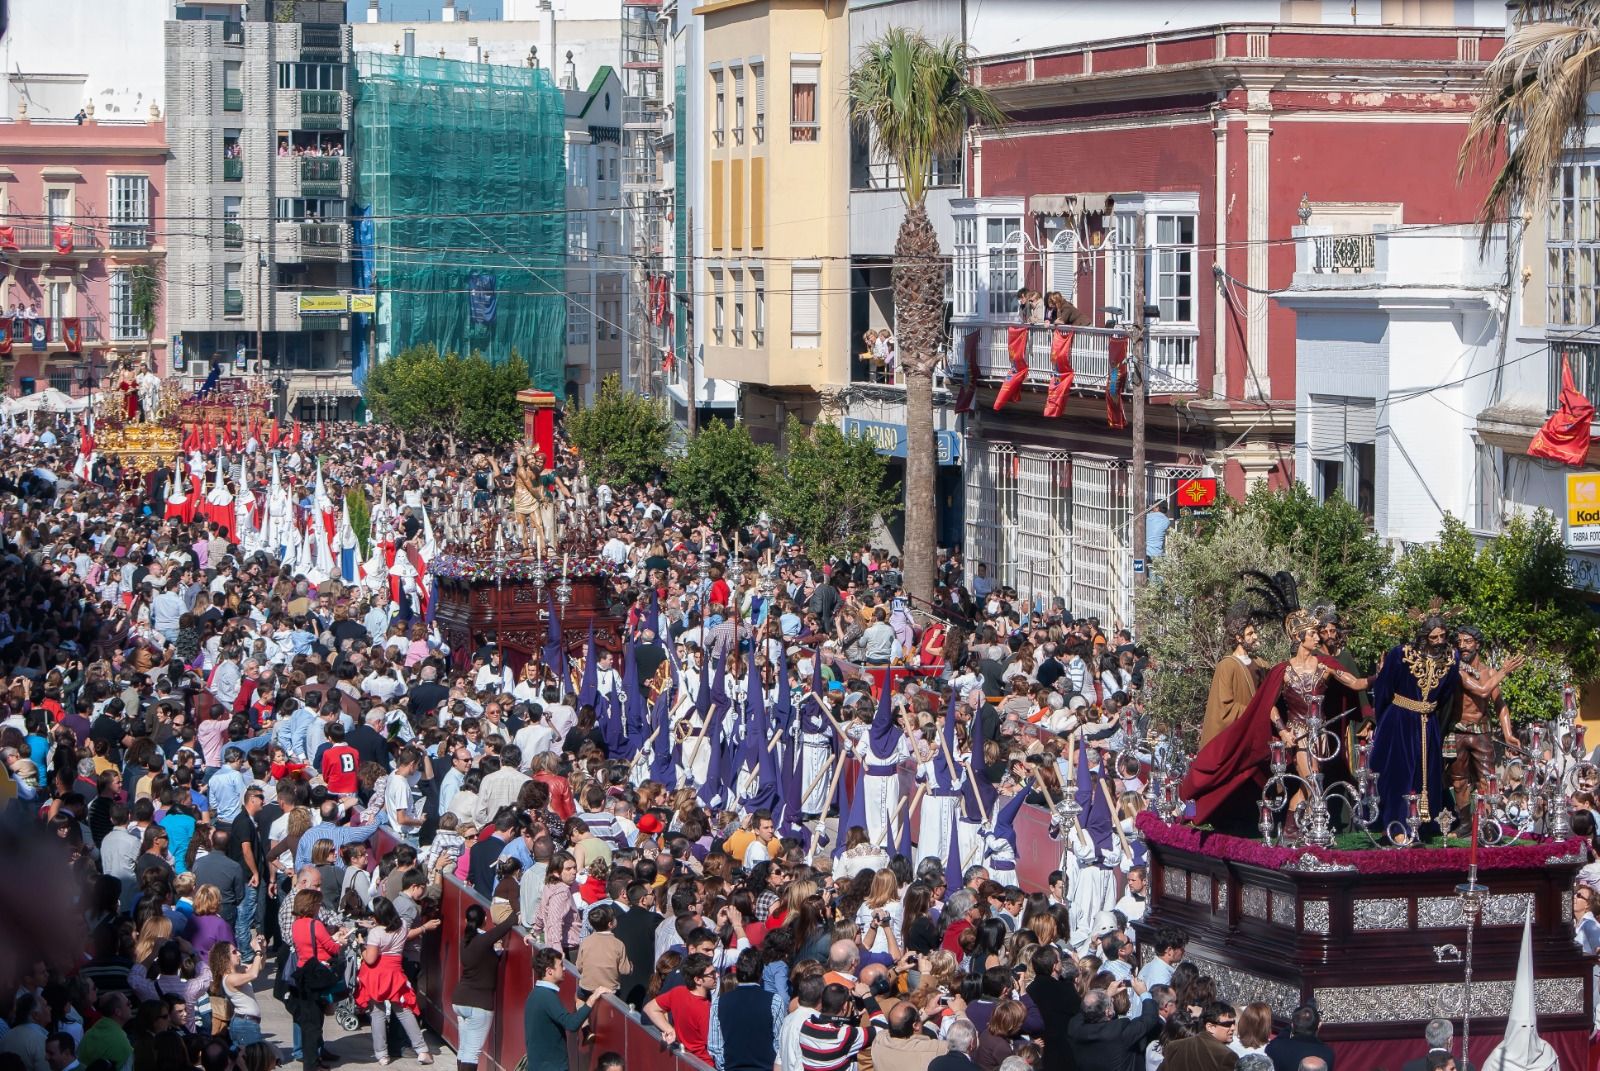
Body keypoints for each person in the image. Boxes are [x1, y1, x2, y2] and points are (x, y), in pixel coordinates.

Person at [1446, 627, 1523, 815]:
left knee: (1487, 781)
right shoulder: (1457, 670)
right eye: (1460, 642)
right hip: (1458, 732)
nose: (1462, 646)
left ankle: (1486, 821)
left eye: (1468, 641)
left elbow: (1500, 704)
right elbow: (1482, 690)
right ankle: (1465, 822)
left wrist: (1508, 733)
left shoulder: (1489, 673)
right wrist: (1504, 671)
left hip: (1481, 733)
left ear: (1478, 645)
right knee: (1459, 781)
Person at [356, 896, 434, 1066]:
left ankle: (382, 1054)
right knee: (404, 1011)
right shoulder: (403, 926)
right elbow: (390, 930)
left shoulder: (376, 933)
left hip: (376, 974)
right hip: (396, 973)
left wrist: (361, 945)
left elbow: (370, 959)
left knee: (377, 1013)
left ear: (378, 916)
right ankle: (422, 1050)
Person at [454, 902, 519, 1071]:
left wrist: (497, 954)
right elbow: (507, 924)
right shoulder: (483, 940)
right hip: (479, 1003)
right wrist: (518, 912)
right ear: (484, 919)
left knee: (464, 1049)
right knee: (472, 1053)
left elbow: (483, 960)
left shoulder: (465, 941)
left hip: (460, 1000)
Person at [524, 947, 608, 1071]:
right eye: (560, 965)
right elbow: (571, 1024)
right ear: (549, 971)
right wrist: (592, 998)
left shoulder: (536, 994)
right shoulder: (546, 996)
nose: (564, 969)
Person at [1200, 607, 1262, 748]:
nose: (1255, 637)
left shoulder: (1260, 663)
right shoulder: (1226, 666)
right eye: (1250, 634)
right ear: (1239, 638)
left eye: (1254, 632)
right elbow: (1225, 708)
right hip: (1237, 739)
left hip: (1256, 734)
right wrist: (1256, 711)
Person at [1064, 984, 1158, 1071]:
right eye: (1111, 1002)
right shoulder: (1118, 1030)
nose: (1112, 1000)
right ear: (1108, 1012)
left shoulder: (1075, 1027)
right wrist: (1144, 994)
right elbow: (1149, 1019)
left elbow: (1085, 1011)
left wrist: (1105, 996)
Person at [645, 952, 716, 1064]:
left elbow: (650, 1008)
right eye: (711, 974)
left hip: (685, 1060)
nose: (716, 976)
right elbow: (713, 1045)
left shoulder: (678, 992)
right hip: (706, 1063)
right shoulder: (706, 1009)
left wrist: (670, 1030)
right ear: (698, 980)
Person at [717, 948, 777, 1071]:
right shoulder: (775, 1001)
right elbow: (779, 1043)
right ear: (761, 974)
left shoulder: (719, 1002)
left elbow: (716, 1046)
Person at [1162, 1001, 1239, 1070]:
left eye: (1233, 1023)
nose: (1233, 1028)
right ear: (1210, 1027)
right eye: (1227, 1024)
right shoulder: (1227, 1056)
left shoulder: (1174, 1046)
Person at [1264, 1006, 1336, 1071]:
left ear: (1292, 1025)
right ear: (1319, 1025)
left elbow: (1277, 1043)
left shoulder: (1275, 1047)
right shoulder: (1327, 1053)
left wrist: (1287, 1029)